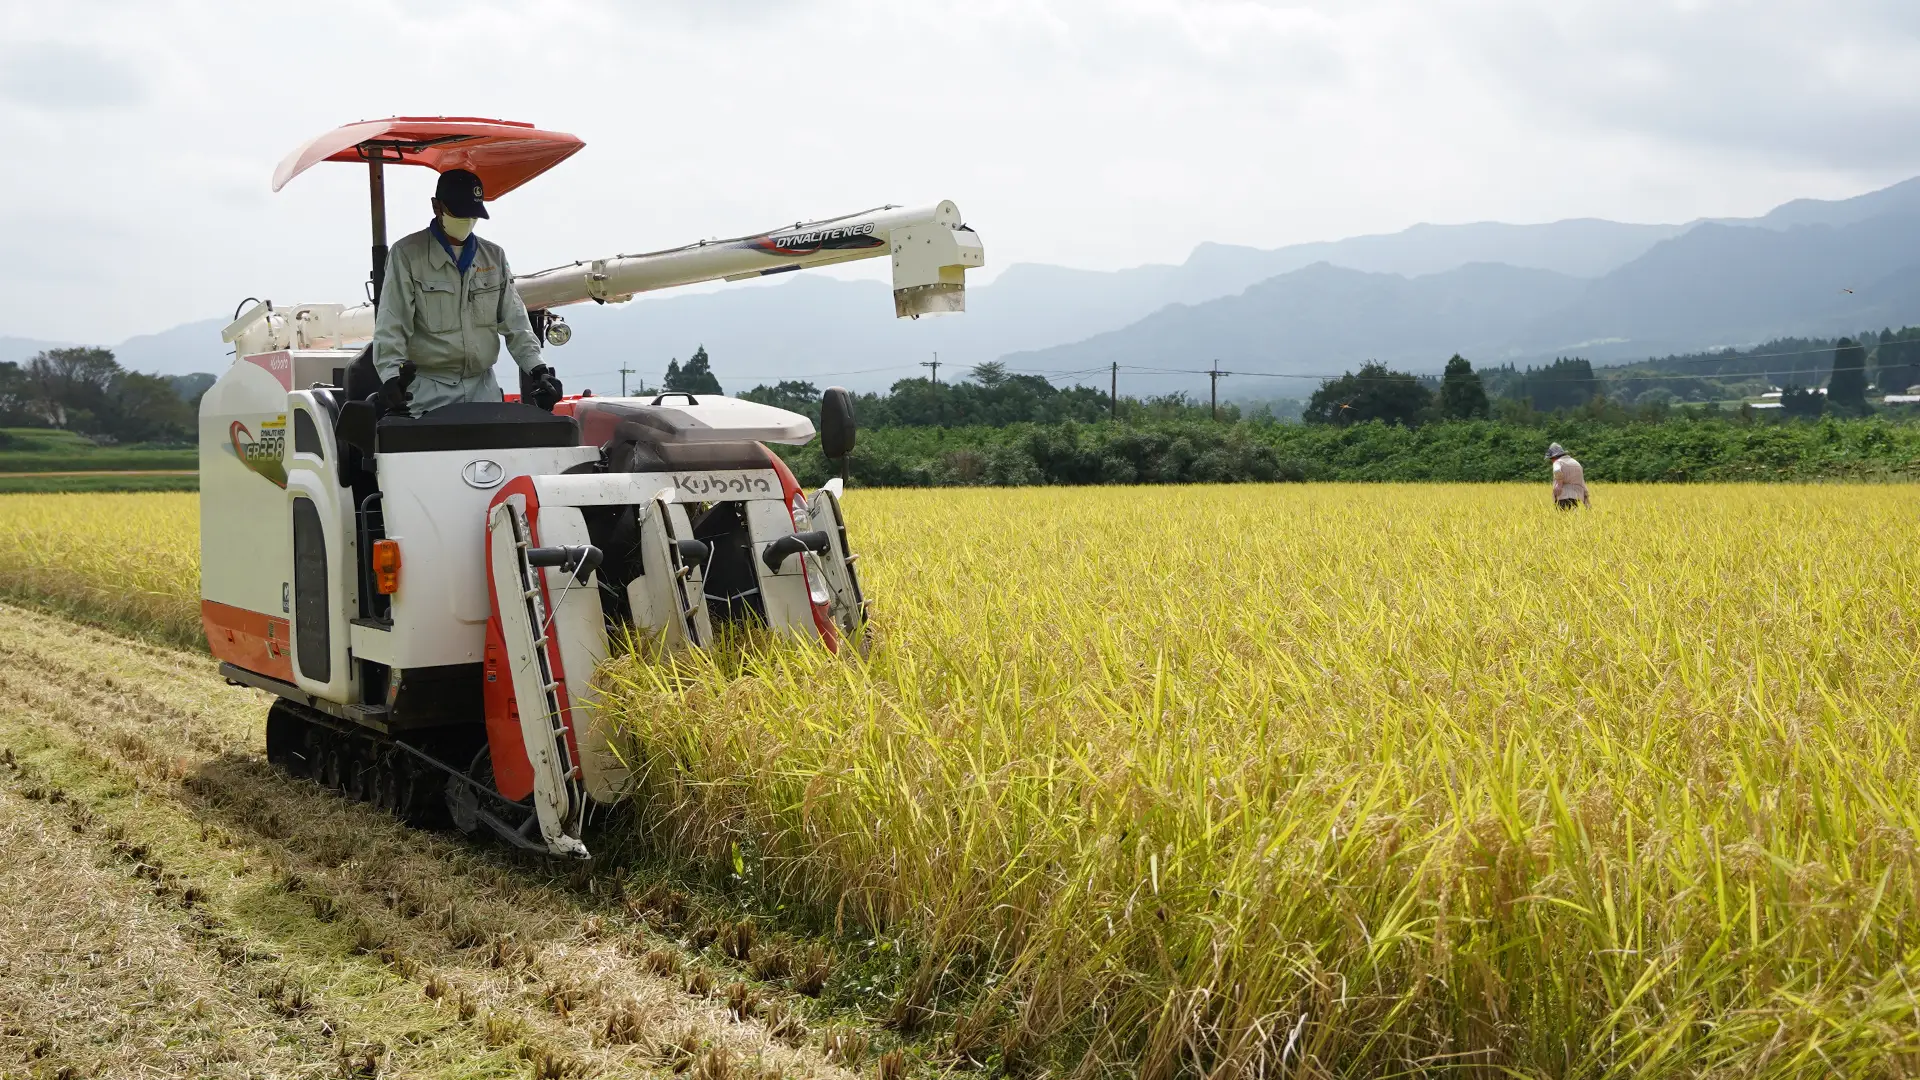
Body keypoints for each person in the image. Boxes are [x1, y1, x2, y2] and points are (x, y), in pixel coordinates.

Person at [371, 169, 565, 415]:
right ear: (436, 207)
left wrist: (538, 370)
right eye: (459, 213)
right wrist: (391, 376)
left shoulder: (494, 257)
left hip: (483, 389)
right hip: (427, 392)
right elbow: (391, 325)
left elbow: (516, 323)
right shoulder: (407, 255)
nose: (467, 221)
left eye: (472, 215)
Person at [1547, 442, 1589, 509]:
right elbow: (1582, 482)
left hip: (1563, 497)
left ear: (1554, 457)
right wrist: (1587, 501)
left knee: (1562, 517)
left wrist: (1559, 484)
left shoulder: (1558, 462)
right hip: (1577, 498)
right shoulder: (1575, 462)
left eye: (1551, 458)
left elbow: (1557, 470)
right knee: (1573, 517)